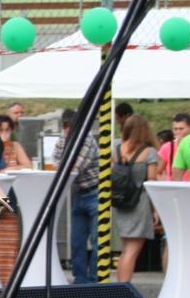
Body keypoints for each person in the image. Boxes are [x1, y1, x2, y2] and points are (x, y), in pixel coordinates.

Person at [51, 108, 101, 283]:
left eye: (70, 126)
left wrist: (62, 164)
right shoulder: (64, 138)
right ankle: (79, 279)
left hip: (95, 192)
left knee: (97, 240)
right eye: (64, 126)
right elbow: (55, 160)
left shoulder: (87, 140)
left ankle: (94, 280)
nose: (67, 130)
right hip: (80, 192)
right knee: (77, 240)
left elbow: (75, 167)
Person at [113, 114, 162, 283]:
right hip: (139, 203)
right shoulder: (149, 153)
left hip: (120, 202)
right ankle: (124, 287)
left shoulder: (116, 149)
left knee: (125, 249)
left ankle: (120, 286)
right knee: (132, 251)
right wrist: (155, 209)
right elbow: (151, 181)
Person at [159, 113, 190, 180]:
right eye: (175, 129)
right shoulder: (167, 147)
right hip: (173, 185)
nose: (178, 132)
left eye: (181, 129)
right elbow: (157, 172)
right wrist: (166, 181)